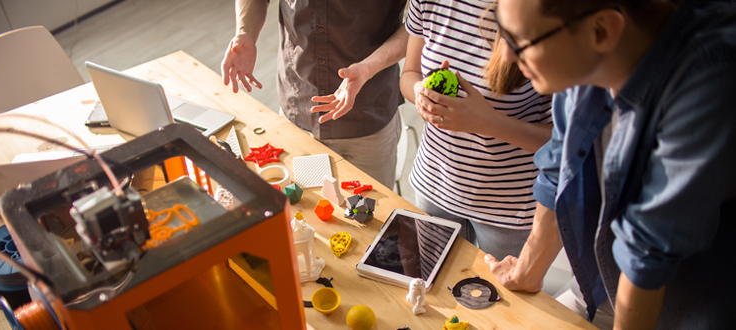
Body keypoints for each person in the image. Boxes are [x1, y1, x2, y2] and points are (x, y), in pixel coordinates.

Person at [485, 0, 736, 329]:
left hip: (690, 304)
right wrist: (527, 271)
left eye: (522, 41)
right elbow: (560, 162)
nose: (507, 57)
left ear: (602, 30)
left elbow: (648, 250)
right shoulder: (580, 60)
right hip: (608, 282)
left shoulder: (708, 75)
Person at [400, 0, 553, 260]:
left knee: (502, 298)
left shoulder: (535, 12)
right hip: (435, 184)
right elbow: (410, 73)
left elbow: (562, 141)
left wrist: (488, 122)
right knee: (434, 288)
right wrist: (420, 94)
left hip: (508, 208)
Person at [221, 0, 408, 188]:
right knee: (302, 210)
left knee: (374, 212)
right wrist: (245, 32)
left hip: (368, 117)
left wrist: (369, 67)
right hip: (297, 111)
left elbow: (420, 25)